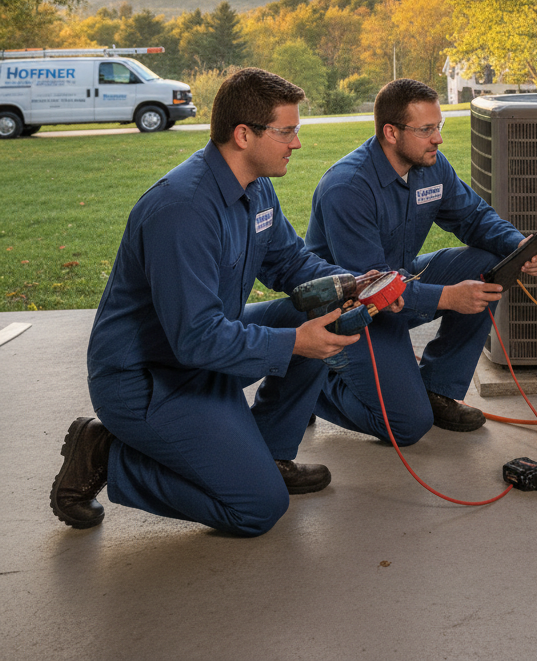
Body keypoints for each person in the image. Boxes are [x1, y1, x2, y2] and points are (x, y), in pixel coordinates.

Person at [50, 68, 369, 537]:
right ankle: (106, 453)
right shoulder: (182, 210)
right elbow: (195, 338)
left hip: (203, 353)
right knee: (258, 509)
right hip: (148, 379)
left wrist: (356, 285)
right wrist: (292, 344)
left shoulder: (256, 187)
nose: (296, 143)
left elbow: (289, 262)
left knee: (325, 313)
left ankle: (269, 453)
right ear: (244, 135)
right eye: (287, 131)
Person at [302, 77, 537, 444]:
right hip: (350, 310)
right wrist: (448, 297)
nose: (438, 138)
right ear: (391, 132)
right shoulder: (348, 188)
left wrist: (518, 246)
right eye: (426, 129)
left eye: (439, 126)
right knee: (407, 426)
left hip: (399, 282)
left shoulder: (431, 166)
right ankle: (314, 386)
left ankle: (437, 387)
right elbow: (371, 289)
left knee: (490, 262)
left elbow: (474, 217)